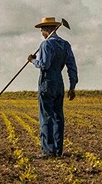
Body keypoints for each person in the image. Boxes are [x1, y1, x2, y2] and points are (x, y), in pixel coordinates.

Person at [28, 17, 78, 158]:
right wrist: (72, 86)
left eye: (42, 30)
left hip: (47, 83)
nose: (41, 32)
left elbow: (44, 65)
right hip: (59, 84)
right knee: (58, 117)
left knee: (46, 117)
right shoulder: (65, 44)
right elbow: (72, 66)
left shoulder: (46, 44)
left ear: (48, 30)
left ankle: (48, 151)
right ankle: (58, 150)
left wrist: (32, 60)